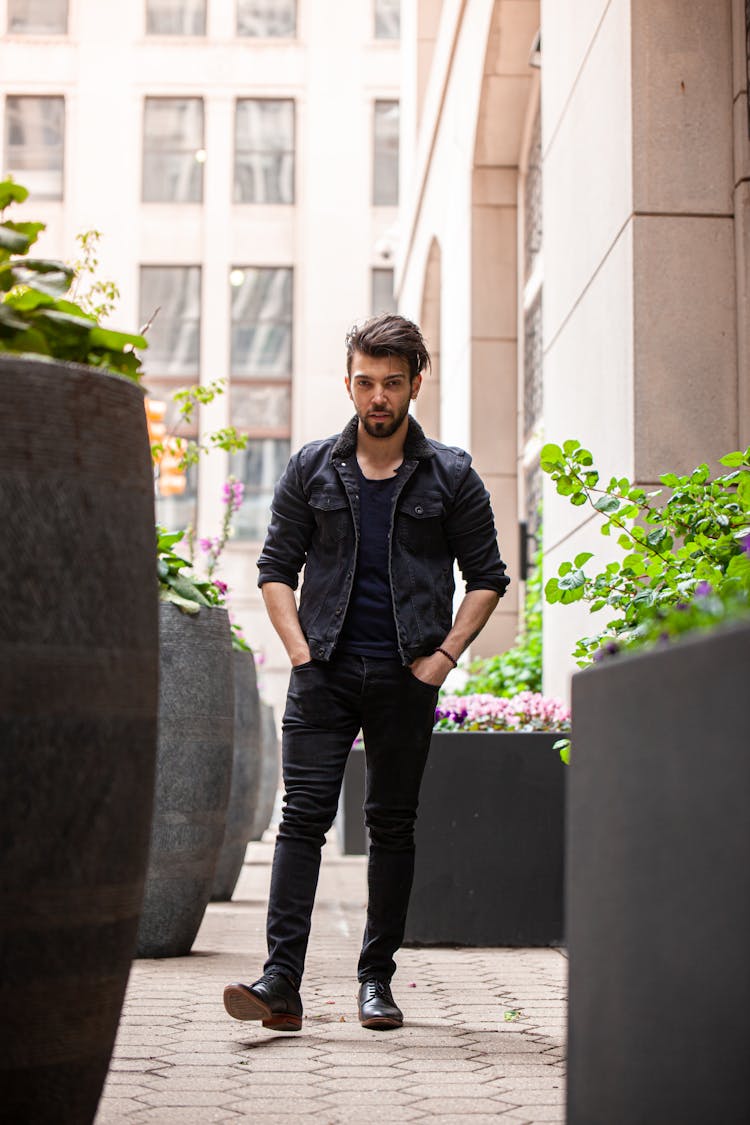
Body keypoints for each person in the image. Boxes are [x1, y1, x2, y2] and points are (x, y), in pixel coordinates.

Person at [223, 313, 509, 1033]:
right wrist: (299, 653)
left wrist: (441, 659)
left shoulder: (452, 473)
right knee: (302, 820)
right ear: (348, 381)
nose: (376, 396)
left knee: (391, 824)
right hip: (322, 674)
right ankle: (280, 980)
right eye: (364, 382)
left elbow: (487, 577)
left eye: (390, 382)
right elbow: (274, 569)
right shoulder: (311, 466)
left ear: (417, 380)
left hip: (405, 678)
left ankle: (376, 980)